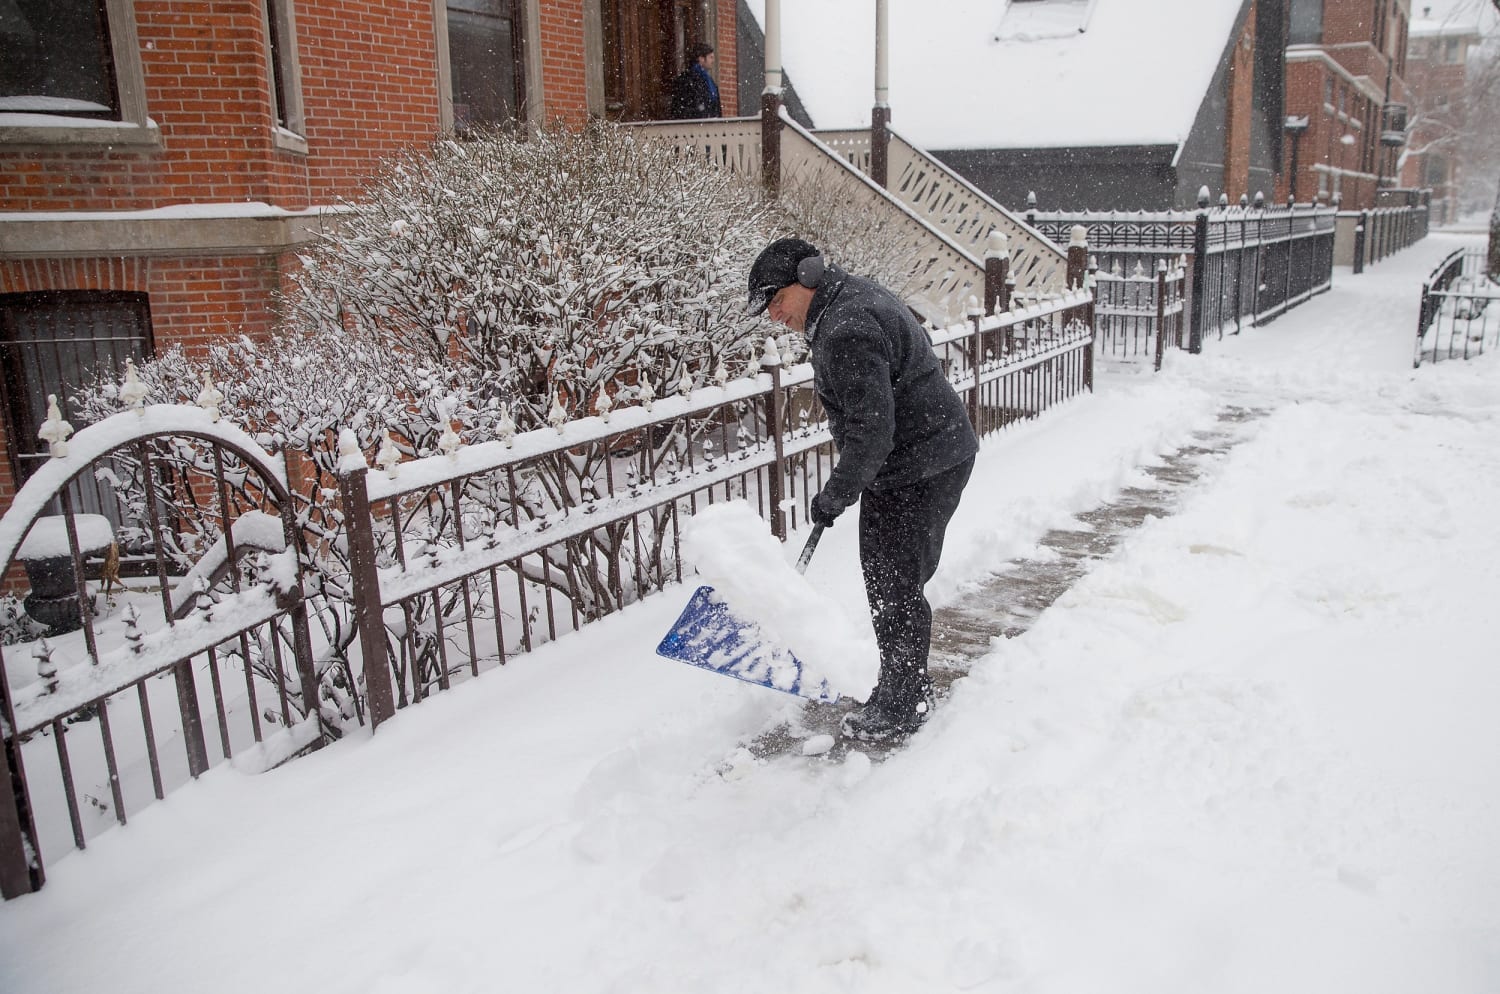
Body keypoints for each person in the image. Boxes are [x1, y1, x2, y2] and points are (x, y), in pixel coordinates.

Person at [747, 238, 978, 742]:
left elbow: (872, 428)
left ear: (806, 278)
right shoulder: (846, 300)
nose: (773, 315)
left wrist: (837, 492)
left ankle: (903, 703)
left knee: (893, 586)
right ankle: (904, 688)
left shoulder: (846, 328)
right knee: (892, 579)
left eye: (776, 300)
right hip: (925, 457)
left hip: (918, 466)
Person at [669, 42, 721, 120]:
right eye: (710, 57)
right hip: (693, 126)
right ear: (701, 58)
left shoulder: (709, 81)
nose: (713, 61)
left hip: (708, 126)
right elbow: (683, 107)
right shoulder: (688, 79)